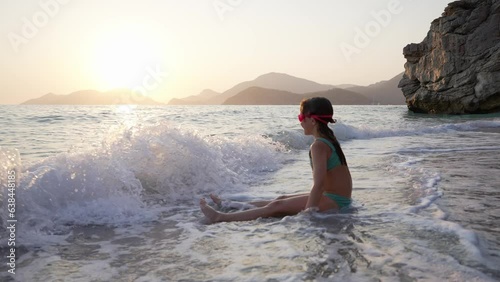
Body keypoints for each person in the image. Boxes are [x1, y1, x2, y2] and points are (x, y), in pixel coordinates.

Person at [200, 97, 353, 223]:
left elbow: (319, 185)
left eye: (301, 117)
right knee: (281, 199)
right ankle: (229, 205)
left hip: (335, 201)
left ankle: (221, 217)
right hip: (338, 197)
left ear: (312, 120)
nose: (300, 122)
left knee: (277, 205)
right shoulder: (329, 140)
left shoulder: (318, 145)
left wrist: (309, 213)